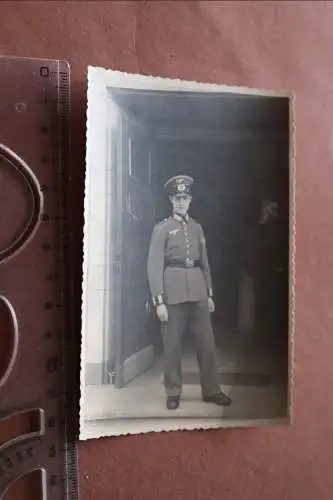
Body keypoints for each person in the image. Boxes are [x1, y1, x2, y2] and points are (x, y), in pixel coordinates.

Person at [147, 174, 232, 410]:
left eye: (185, 197)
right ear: (171, 200)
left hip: (198, 291)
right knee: (172, 345)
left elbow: (204, 262)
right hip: (172, 292)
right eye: (177, 198)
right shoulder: (162, 228)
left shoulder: (197, 228)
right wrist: (159, 301)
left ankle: (212, 390)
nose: (181, 202)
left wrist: (209, 294)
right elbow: (154, 265)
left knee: (207, 343)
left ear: (190, 200)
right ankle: (173, 392)